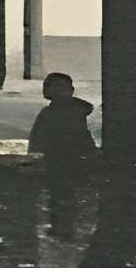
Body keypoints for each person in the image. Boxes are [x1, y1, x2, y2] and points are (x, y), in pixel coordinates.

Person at [29, 71, 96, 236]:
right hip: (68, 160)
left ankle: (61, 228)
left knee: (60, 195)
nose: (47, 89)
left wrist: (35, 158)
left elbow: (39, 139)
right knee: (63, 195)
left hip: (59, 160)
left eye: (56, 86)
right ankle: (62, 227)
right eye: (47, 85)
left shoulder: (53, 113)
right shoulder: (73, 111)